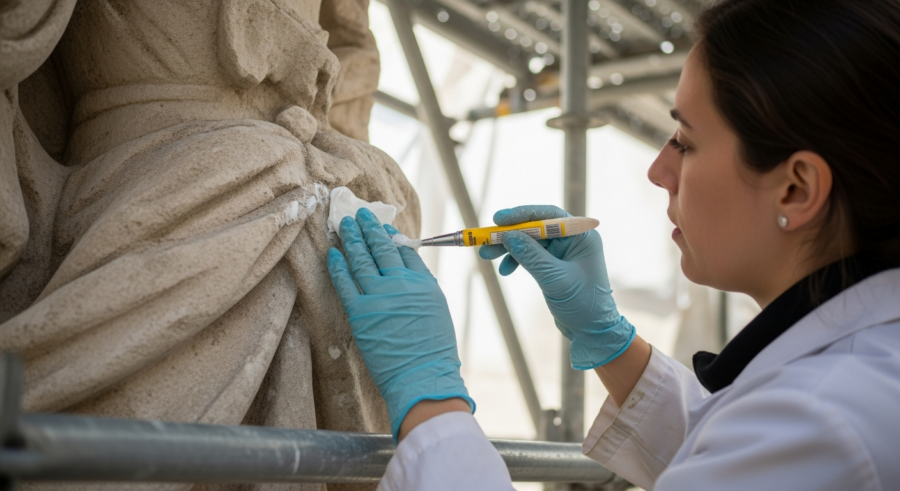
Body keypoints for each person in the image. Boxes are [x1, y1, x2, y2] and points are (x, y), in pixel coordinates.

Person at [326, 0, 900, 489]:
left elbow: (762, 447)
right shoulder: (846, 386)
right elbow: (720, 446)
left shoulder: (828, 420)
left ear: (796, 188)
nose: (657, 170)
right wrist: (608, 340)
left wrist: (431, 404)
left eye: (686, 143)